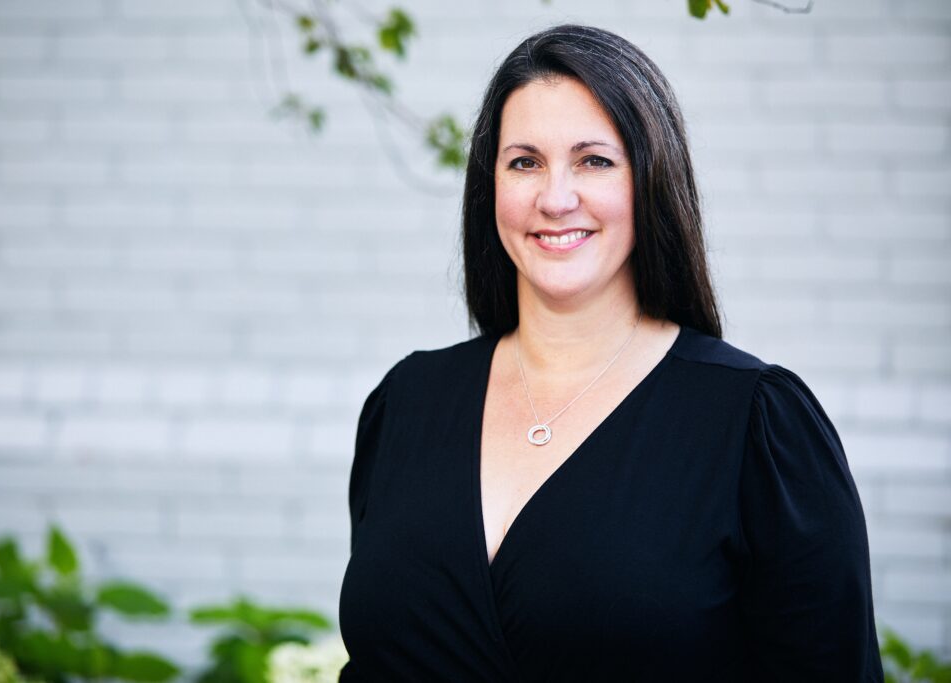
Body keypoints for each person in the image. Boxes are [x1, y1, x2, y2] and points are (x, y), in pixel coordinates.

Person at [338, 24, 883, 682]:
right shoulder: (408, 401)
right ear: (491, 187)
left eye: (594, 160)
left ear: (650, 180)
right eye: (524, 161)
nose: (555, 197)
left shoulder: (756, 425)